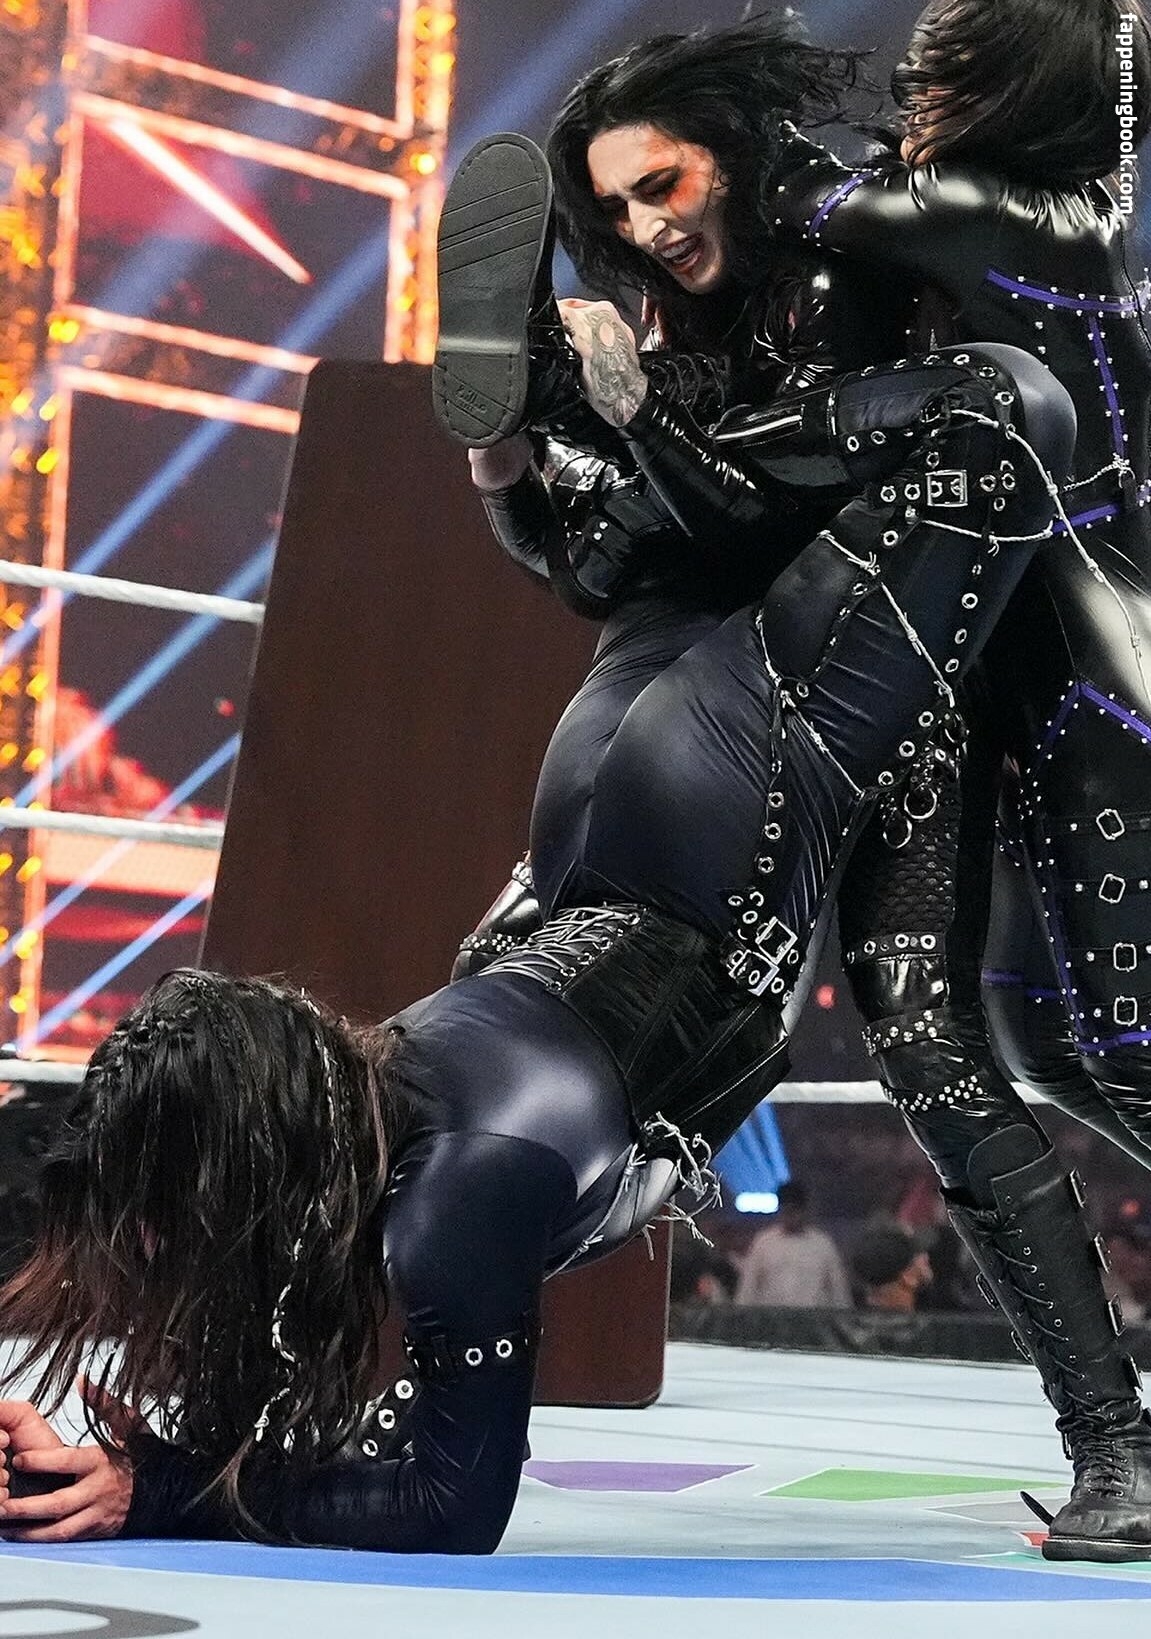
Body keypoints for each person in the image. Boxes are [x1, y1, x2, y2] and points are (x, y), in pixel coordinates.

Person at [0, 119, 1074, 1554]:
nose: (159, 1252)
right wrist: (119, 1456)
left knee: (1003, 423)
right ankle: (530, 434)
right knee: (679, 553)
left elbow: (451, 1501)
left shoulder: (454, 1199)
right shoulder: (349, 1113)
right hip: (581, 850)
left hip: (698, 843)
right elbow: (250, 1364)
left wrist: (163, 1488)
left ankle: (560, 411)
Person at [457, 8, 1151, 1560]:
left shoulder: (839, 267)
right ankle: (1116, 1447)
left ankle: (1116, 1447)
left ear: (726, 154)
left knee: (1000, 1044)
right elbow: (618, 565)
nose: (647, 226)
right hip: (789, 702)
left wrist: (633, 420)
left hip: (937, 679)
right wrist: (519, 455)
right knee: (885, 1031)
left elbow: (772, 498)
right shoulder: (679, 324)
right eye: (616, 208)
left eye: (664, 183)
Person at [735, 1181, 850, 1308]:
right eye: (785, 1211)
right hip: (773, 1317)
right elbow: (748, 1286)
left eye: (793, 1211)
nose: (789, 1216)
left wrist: (844, 1314)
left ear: (804, 1211)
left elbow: (838, 1289)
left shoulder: (823, 1244)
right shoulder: (764, 1242)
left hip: (813, 1317)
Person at [851, 1222, 933, 1313]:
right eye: (918, 1252)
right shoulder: (923, 1321)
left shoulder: (852, 1320)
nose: (926, 1256)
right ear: (908, 1277)